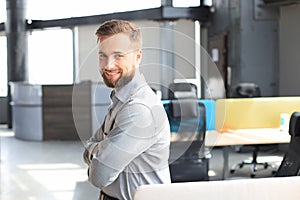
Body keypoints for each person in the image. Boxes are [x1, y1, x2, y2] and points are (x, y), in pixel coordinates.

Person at [83, 19, 171, 200]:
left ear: (138, 57)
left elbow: (99, 176)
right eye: (102, 55)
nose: (108, 65)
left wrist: (100, 150)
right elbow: (88, 147)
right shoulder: (120, 100)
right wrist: (98, 149)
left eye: (118, 55)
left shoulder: (139, 110)